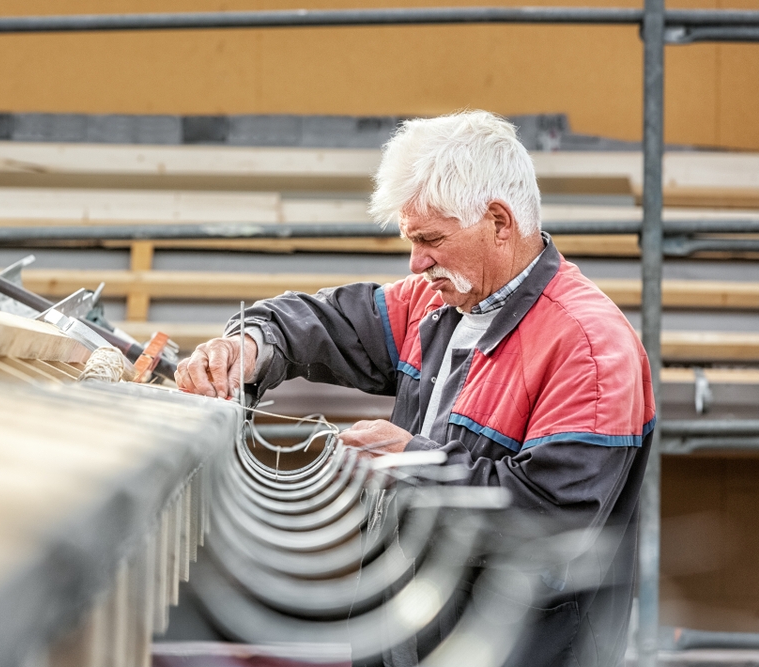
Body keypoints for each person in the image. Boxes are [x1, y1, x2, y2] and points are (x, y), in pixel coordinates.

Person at [175, 110, 654, 667]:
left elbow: (552, 527)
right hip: (414, 635)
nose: (416, 261)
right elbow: (324, 322)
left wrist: (414, 462)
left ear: (500, 222)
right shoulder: (439, 302)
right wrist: (248, 346)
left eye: (430, 239)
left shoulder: (589, 347)